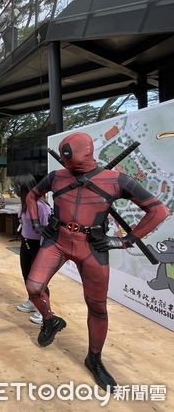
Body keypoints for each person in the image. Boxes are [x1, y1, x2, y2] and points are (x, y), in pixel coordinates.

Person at [25, 132, 169, 391]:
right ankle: (50, 320)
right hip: (57, 241)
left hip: (91, 247)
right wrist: (37, 224)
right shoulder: (57, 177)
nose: (67, 163)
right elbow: (32, 195)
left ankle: (95, 358)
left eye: (70, 157)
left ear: (86, 153)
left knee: (97, 307)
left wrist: (125, 241)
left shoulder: (115, 180)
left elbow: (159, 210)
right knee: (34, 287)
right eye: (65, 158)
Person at [14, 174, 51, 325]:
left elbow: (46, 230)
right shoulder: (23, 204)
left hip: (38, 246)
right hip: (25, 244)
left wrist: (44, 252)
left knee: (39, 282)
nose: (15, 190)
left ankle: (44, 310)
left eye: (17, 187)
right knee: (26, 276)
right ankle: (32, 301)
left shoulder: (41, 206)